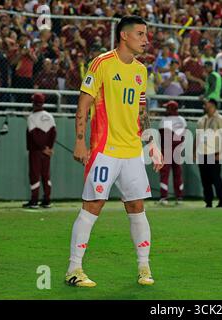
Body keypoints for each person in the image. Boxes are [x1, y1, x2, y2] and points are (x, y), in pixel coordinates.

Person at [67, 16, 163, 288]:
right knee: (93, 206)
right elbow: (83, 104)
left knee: (137, 207)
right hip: (104, 150)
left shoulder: (141, 70)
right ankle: (74, 269)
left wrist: (151, 143)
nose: (146, 40)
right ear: (124, 35)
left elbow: (141, 111)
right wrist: (80, 141)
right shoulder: (102, 63)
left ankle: (144, 268)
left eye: (147, 35)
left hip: (132, 151)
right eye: (141, 34)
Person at [22, 93, 56, 209]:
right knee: (46, 175)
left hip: (36, 151)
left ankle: (34, 200)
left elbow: (34, 136)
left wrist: (42, 148)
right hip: (46, 151)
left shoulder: (31, 117)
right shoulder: (50, 116)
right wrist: (49, 148)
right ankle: (47, 200)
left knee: (34, 174)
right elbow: (53, 133)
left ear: (33, 103)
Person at [195, 98, 222, 208]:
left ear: (214, 106)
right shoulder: (201, 120)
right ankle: (208, 201)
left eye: (208, 106)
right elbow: (197, 136)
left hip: (214, 152)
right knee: (205, 179)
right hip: (202, 152)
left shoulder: (220, 119)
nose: (206, 107)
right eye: (206, 106)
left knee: (215, 178)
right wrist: (194, 151)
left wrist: (221, 152)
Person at [158, 100, 187, 204]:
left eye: (167, 108)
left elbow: (162, 138)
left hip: (167, 151)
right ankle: (179, 197)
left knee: (164, 174)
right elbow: (184, 136)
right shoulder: (182, 120)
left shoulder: (163, 120)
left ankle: (164, 197)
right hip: (178, 151)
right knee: (178, 174)